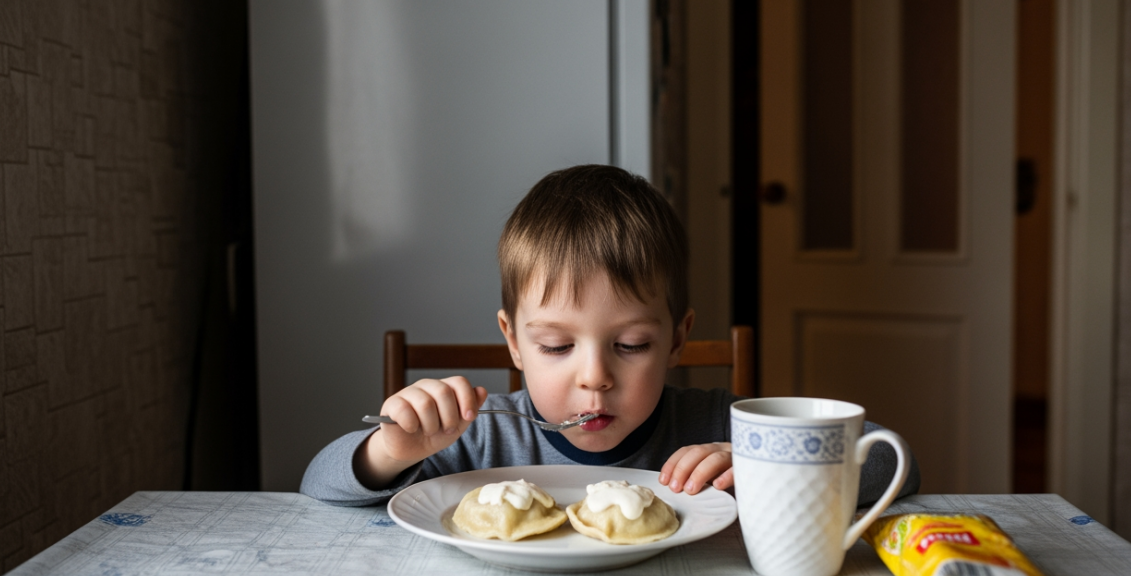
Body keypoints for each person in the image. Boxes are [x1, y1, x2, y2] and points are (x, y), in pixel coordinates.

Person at [301, 164, 920, 506]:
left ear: (678, 340)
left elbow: (892, 459)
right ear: (513, 343)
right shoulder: (483, 438)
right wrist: (390, 451)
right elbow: (316, 485)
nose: (594, 375)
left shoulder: (717, 428)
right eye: (555, 346)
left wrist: (767, 467)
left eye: (631, 346)